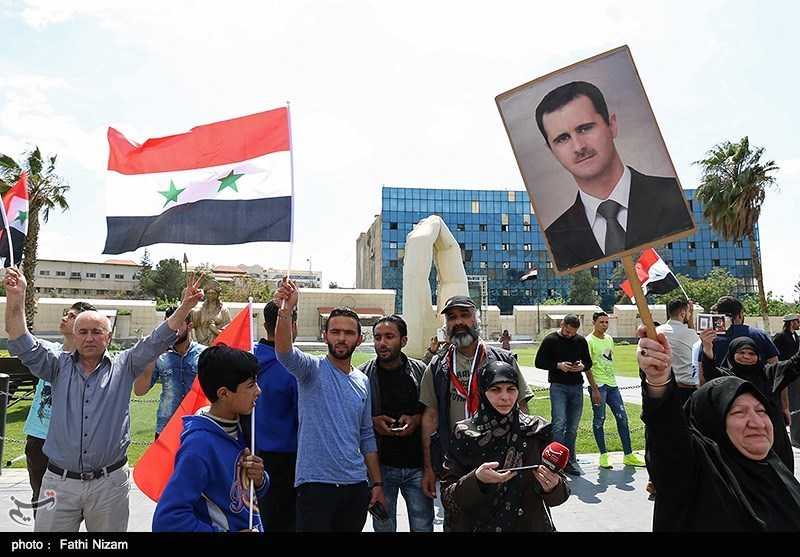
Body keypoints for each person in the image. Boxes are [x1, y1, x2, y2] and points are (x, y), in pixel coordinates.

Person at [3, 266, 205, 532]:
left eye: (96, 332)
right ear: (74, 336)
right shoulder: (55, 365)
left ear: (108, 337)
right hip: (58, 484)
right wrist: (16, 298)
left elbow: (157, 340)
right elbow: (21, 340)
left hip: (109, 486)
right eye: (83, 331)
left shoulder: (126, 365)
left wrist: (184, 307)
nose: (89, 338)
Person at [637, 329, 800, 531]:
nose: (757, 422)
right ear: (713, 420)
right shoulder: (697, 472)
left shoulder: (775, 468)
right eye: (739, 412)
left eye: (761, 410)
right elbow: (668, 433)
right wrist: (658, 379)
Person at [535, 80, 694, 271]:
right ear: (551, 151)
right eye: (562, 138)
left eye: (585, 128)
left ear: (612, 126)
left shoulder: (672, 196)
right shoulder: (556, 237)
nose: (579, 147)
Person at [273, 276, 385, 532]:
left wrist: (377, 484)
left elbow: (366, 436)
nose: (342, 338)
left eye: (349, 333)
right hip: (316, 485)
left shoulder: (363, 381)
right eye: (335, 332)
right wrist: (286, 311)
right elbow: (283, 352)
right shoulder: (311, 370)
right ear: (325, 337)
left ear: (359, 339)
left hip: (356, 486)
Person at [419, 295, 533, 531]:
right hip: (456, 465)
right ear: (446, 325)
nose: (458, 322)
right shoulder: (438, 367)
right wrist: (429, 468)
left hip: (501, 461)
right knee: (459, 522)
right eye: (452, 317)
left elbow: (522, 409)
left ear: (476, 319)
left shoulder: (503, 360)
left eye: (464, 315)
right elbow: (430, 417)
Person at [441, 360, 570, 532]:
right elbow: (449, 500)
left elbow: (560, 495)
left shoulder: (536, 431)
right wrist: (477, 480)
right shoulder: (465, 433)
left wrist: (552, 486)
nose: (505, 397)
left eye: (511, 389)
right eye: (495, 390)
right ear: (482, 391)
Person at [152, 346, 268, 532]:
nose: (258, 391)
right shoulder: (199, 446)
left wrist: (260, 479)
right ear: (223, 394)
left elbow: (238, 494)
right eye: (250, 385)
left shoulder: (243, 426)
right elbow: (168, 520)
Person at [358, 314, 433, 532]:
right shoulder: (363, 375)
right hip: (381, 468)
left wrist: (417, 420)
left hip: (417, 466)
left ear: (403, 340)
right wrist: (373, 422)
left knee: (423, 527)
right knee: (383, 527)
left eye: (389, 336)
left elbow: (432, 412)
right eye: (378, 337)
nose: (382, 343)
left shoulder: (421, 371)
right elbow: (352, 418)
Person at [21, 301, 95, 516]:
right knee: (41, 499)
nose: (65, 318)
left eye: (72, 316)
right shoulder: (47, 350)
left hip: (70, 441)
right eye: (67, 314)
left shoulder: (90, 361)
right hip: (39, 437)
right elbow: (20, 336)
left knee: (72, 504)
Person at [699, 332, 797, 473]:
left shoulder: (769, 374)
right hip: (741, 446)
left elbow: (794, 365)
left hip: (775, 444)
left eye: (752, 353)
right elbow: (710, 374)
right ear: (732, 354)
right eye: (742, 352)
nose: (747, 356)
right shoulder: (727, 377)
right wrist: (707, 349)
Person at [249, 300, 299, 532]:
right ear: (293, 326)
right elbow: (303, 419)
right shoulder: (294, 369)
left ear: (266, 324)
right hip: (286, 461)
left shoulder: (247, 361)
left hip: (248, 454)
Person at [703, 295, 786, 422]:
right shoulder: (759, 335)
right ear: (741, 314)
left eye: (751, 353)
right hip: (761, 405)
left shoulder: (708, 340)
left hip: (724, 405)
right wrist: (784, 407)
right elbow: (778, 374)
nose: (746, 357)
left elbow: (703, 377)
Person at [133, 305, 206, 439]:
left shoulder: (204, 354)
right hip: (166, 428)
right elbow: (139, 391)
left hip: (198, 426)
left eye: (177, 325)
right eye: (169, 325)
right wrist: (152, 359)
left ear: (190, 327)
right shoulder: (159, 356)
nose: (172, 330)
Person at [534, 313, 594, 475]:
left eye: (573, 333)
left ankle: (570, 461)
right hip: (558, 386)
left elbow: (588, 362)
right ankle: (555, 462)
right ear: (562, 325)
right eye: (567, 332)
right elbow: (539, 362)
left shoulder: (580, 341)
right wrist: (558, 365)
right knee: (559, 424)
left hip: (576, 386)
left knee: (573, 426)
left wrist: (581, 366)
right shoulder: (550, 340)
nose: (570, 335)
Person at [585, 311, 646, 469]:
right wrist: (594, 389)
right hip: (598, 386)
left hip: (612, 385)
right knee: (600, 419)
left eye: (607, 322)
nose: (605, 325)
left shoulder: (609, 339)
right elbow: (587, 367)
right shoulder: (589, 341)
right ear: (594, 322)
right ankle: (603, 455)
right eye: (601, 322)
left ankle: (628, 455)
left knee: (623, 418)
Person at [656, 298, 700, 405]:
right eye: (689, 312)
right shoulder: (689, 334)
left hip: (664, 387)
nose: (690, 315)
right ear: (683, 313)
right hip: (686, 389)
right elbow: (697, 347)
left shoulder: (657, 331)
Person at [774, 313, 800, 447]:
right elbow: (774, 355)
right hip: (784, 374)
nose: (798, 323)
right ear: (791, 322)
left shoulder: (796, 337)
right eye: (797, 321)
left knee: (796, 402)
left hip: (795, 374)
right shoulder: (780, 337)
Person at [191, 279, 231, 345]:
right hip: (202, 346)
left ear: (217, 294)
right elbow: (187, 321)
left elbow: (228, 333)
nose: (210, 295)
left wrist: (215, 330)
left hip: (218, 348)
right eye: (208, 293)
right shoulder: (200, 310)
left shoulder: (223, 311)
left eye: (213, 293)